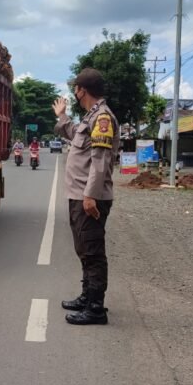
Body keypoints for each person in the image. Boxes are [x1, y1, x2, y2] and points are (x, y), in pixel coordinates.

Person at [52, 68, 119, 325]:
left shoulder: (102, 118)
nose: (74, 93)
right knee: (84, 249)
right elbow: (74, 135)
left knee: (92, 252)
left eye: (76, 89)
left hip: (89, 197)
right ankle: (87, 295)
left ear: (83, 90)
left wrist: (90, 196)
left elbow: (100, 162)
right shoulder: (91, 116)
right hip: (79, 195)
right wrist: (62, 116)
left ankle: (95, 308)